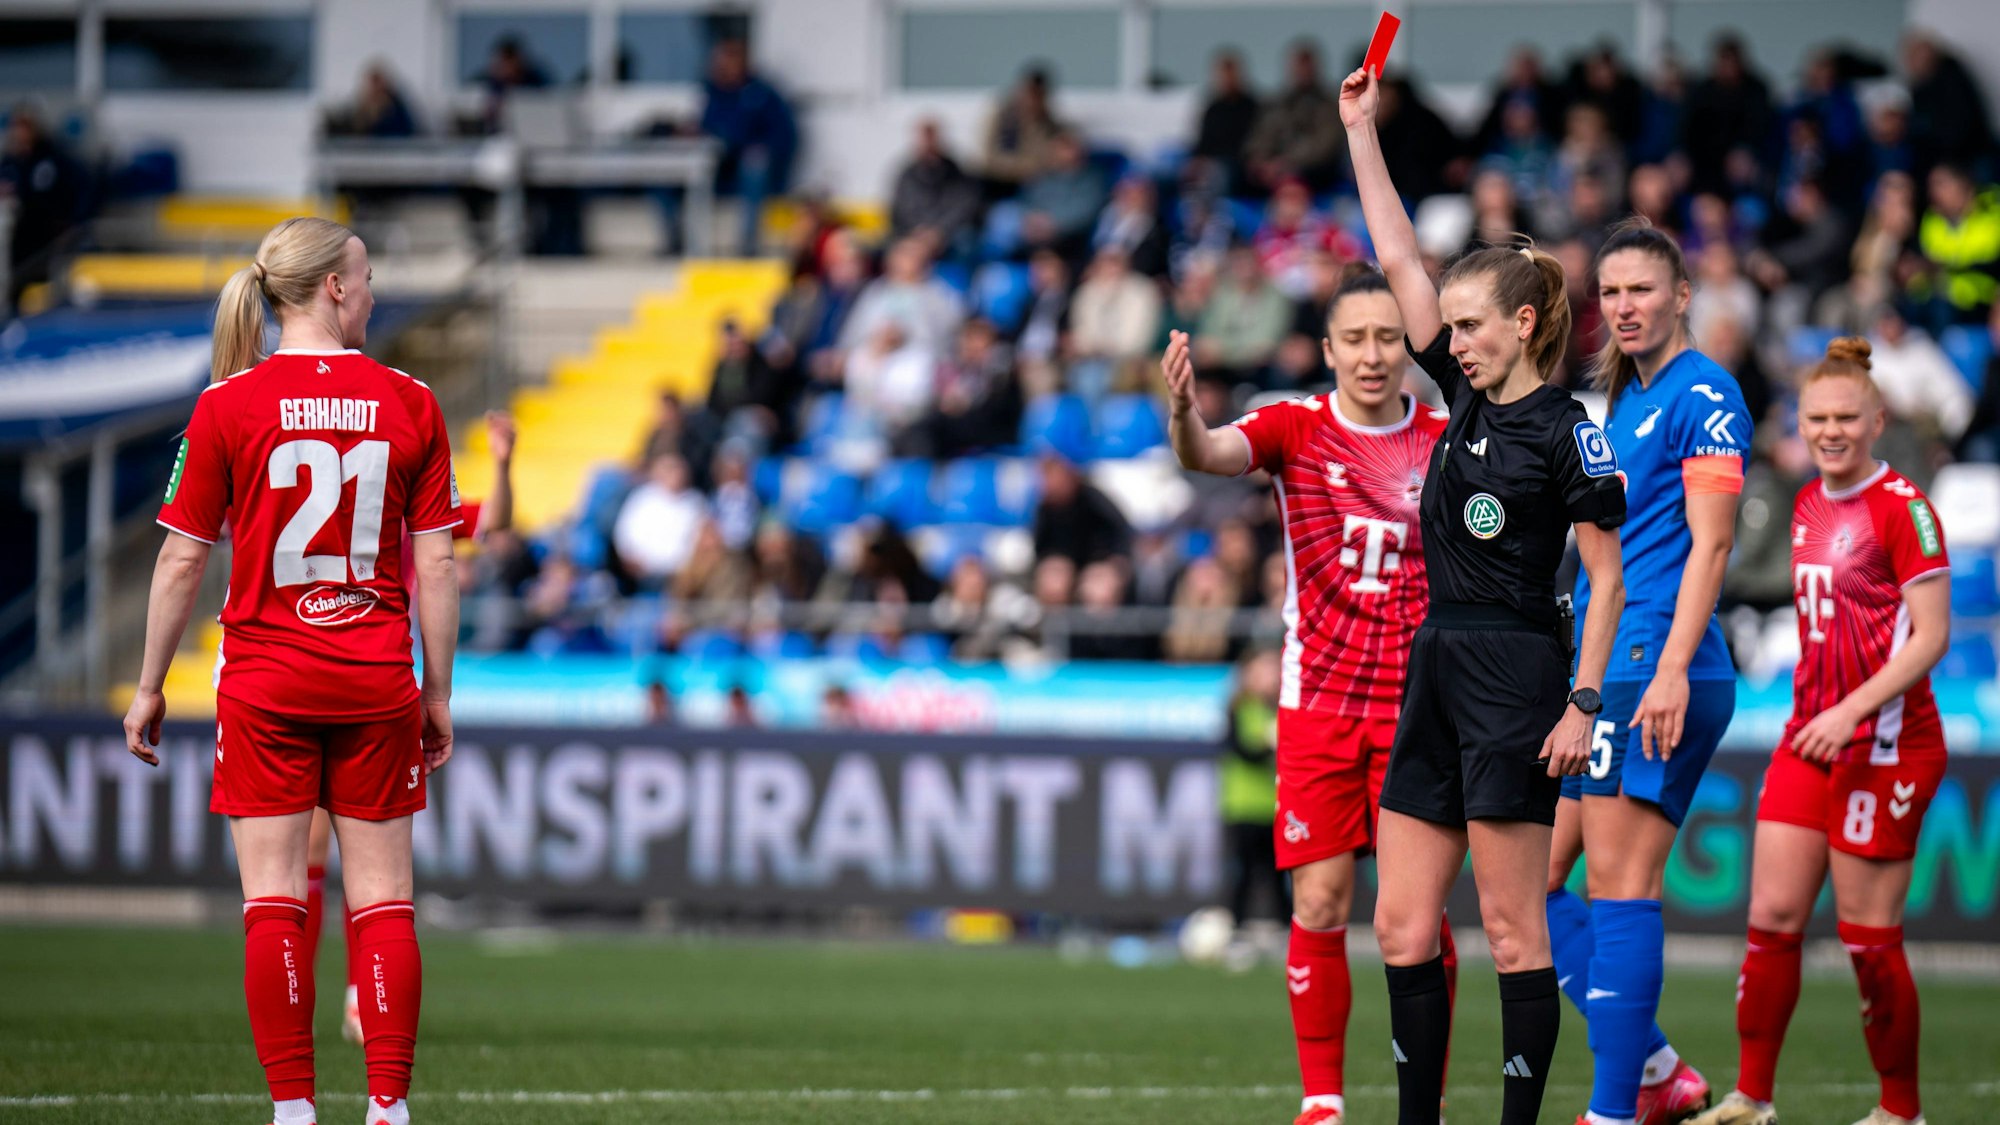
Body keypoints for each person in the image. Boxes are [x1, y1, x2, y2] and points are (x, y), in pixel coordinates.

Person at [122, 217, 458, 1125]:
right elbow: (435, 564)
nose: (375, 292)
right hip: (376, 674)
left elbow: (181, 561)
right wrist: (437, 694)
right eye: (368, 276)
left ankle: (294, 1111)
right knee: (384, 901)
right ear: (336, 290)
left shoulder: (226, 404)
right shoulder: (412, 402)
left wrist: (151, 683)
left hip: (268, 679)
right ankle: (388, 1109)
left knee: (272, 899)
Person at [1342, 63, 1628, 1125]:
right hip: (1436, 663)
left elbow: (1604, 579)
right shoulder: (1460, 397)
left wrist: (1581, 704)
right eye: (1447, 329)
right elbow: (1395, 256)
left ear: (1520, 321)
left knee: (1513, 933)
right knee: (1401, 928)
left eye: (1467, 327)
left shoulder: (1566, 431)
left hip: (1517, 671)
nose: (1448, 342)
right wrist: (1361, 133)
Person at [1162, 261, 1459, 1125]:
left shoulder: (1445, 435)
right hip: (1320, 708)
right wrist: (1183, 411)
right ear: (1327, 349)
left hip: (1418, 713)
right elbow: (1210, 452)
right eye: (1356, 339)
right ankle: (1323, 1101)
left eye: (1389, 338)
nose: (1374, 355)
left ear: (1410, 345)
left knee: (1415, 918)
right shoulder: (1298, 425)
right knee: (1320, 901)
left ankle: (1425, 1102)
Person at [1689, 338, 1953, 1125]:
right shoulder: (1806, 501)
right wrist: (1824, 715)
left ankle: (1900, 1111)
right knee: (1771, 918)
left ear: (1876, 420)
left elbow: (1931, 635)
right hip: (1812, 734)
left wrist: (1851, 711)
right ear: (1799, 423)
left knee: (1869, 941)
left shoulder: (1905, 508)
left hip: (1887, 745)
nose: (1831, 431)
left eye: (1846, 417)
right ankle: (1752, 1098)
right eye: (1817, 418)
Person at [1543, 220, 1751, 1125]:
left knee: (1619, 886)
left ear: (1680, 296)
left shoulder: (1706, 393)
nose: (1624, 307)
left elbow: (1711, 546)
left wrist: (1668, 670)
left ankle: (1613, 1111)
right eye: (1612, 292)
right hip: (1617, 664)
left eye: (1641, 290)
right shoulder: (1628, 402)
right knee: (1534, 879)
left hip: (1660, 664)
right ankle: (1656, 1068)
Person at [307, 407, 514, 1043]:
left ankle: (334, 997)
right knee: (355, 859)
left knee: (326, 856)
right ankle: (343, 1002)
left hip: (326, 673)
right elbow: (473, 537)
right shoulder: (389, 499)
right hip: (373, 676)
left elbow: (492, 521)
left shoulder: (382, 505)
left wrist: (503, 462)